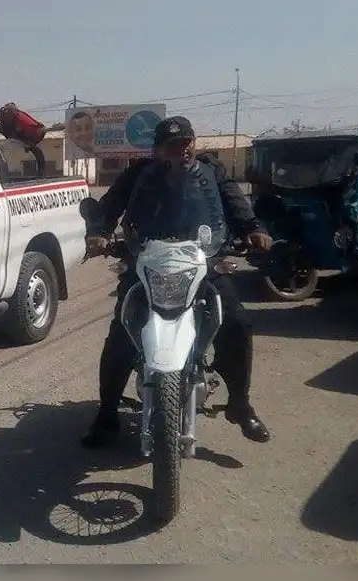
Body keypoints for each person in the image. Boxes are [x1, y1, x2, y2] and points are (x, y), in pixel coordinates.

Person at [81, 116, 274, 449]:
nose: (182, 149)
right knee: (123, 330)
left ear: (194, 143)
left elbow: (233, 202)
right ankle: (107, 413)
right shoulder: (138, 173)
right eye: (172, 144)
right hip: (147, 260)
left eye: (186, 142)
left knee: (237, 323)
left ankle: (239, 404)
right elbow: (110, 206)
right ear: (156, 149)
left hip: (200, 260)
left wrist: (254, 229)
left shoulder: (211, 170)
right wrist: (99, 233)